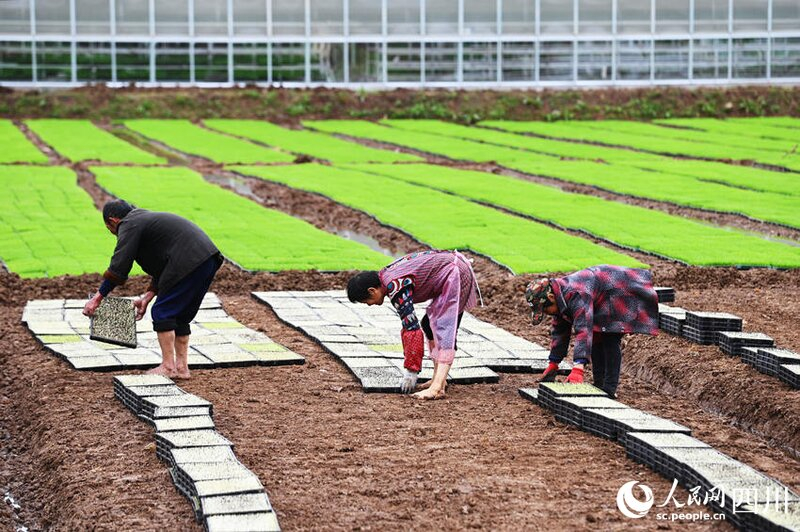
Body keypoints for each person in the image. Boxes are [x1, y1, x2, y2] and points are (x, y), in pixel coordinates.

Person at [83, 200, 223, 379]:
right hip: (207, 259)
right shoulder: (143, 220)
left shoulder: (128, 224)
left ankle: (168, 367)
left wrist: (97, 298)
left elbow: (119, 265)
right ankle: (181, 368)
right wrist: (147, 296)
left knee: (162, 312)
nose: (112, 233)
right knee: (179, 315)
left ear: (112, 221)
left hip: (188, 260)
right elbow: (163, 266)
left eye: (109, 228)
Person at [347, 250, 480, 400]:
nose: (370, 305)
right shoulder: (386, 275)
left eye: (367, 302)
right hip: (453, 267)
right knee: (429, 325)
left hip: (455, 274)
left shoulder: (395, 286)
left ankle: (437, 388)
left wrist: (411, 372)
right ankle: (438, 381)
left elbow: (411, 329)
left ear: (372, 290)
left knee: (444, 328)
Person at [525, 265, 658, 397]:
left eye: (545, 309)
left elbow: (583, 330)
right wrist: (554, 362)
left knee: (610, 336)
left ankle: (609, 388)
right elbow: (560, 331)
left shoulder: (576, 294)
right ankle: (599, 384)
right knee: (596, 336)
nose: (546, 313)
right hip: (602, 293)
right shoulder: (560, 298)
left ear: (551, 297)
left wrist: (578, 368)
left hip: (619, 290)